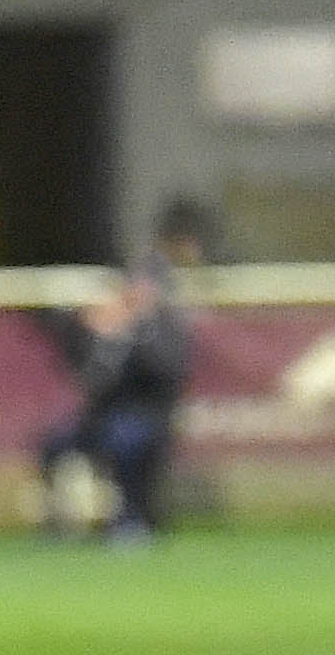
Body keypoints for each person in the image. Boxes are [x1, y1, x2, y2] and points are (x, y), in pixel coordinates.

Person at [36, 196, 210, 542]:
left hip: (147, 416)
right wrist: (98, 334)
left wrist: (135, 338)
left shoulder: (163, 328)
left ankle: (132, 518)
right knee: (54, 442)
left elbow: (169, 372)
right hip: (101, 417)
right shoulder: (102, 326)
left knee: (125, 438)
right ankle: (60, 521)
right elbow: (85, 373)